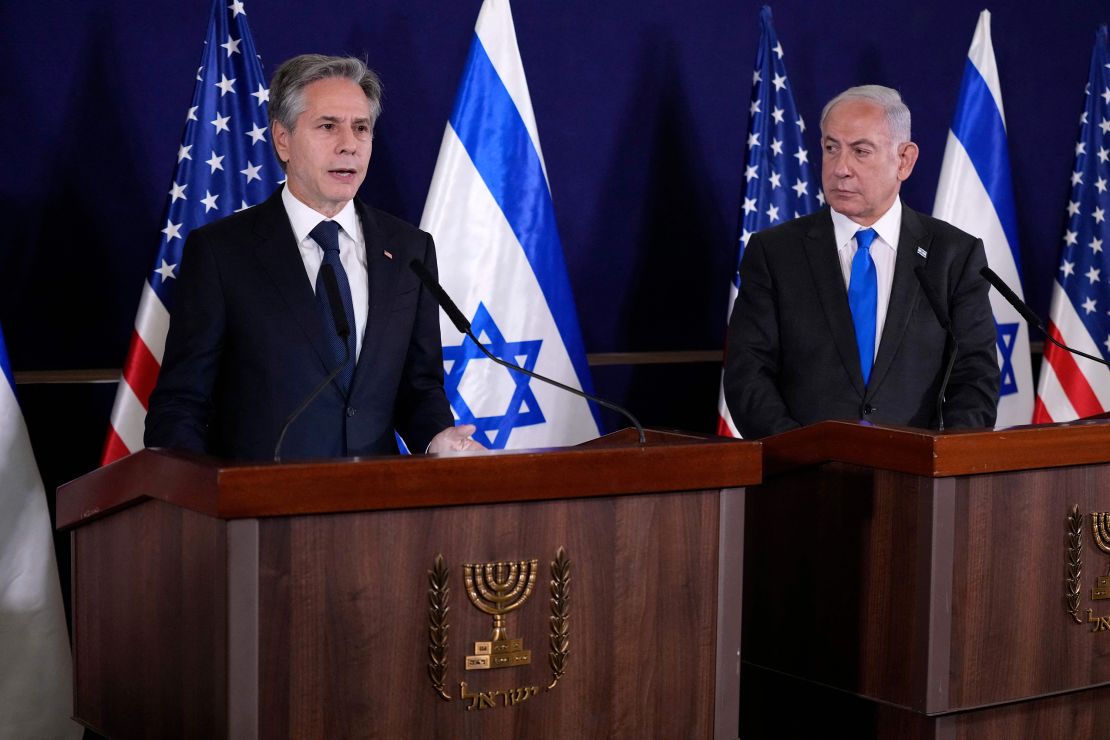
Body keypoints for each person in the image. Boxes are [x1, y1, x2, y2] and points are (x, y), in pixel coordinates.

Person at [145, 54, 478, 459]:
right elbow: (182, 402)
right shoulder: (221, 252)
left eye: (361, 128)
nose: (349, 145)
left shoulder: (409, 248)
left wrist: (436, 438)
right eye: (327, 127)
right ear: (283, 139)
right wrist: (191, 498)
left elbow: (418, 387)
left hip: (381, 503)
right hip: (258, 507)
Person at [724, 85, 999, 439]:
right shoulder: (775, 253)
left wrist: (942, 462)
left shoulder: (953, 255)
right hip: (801, 478)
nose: (841, 168)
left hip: (918, 479)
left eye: (860, 151)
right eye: (831, 148)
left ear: (905, 160)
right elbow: (748, 375)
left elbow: (975, 378)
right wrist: (799, 454)